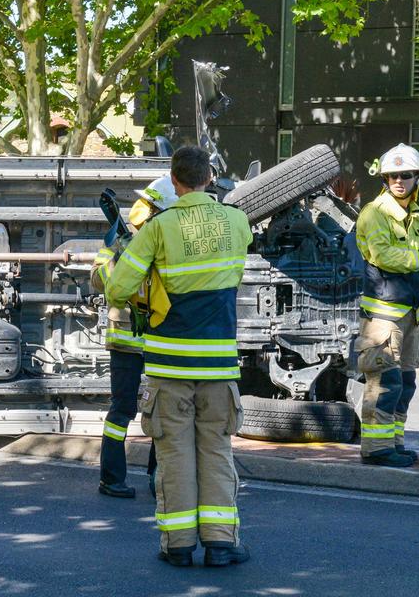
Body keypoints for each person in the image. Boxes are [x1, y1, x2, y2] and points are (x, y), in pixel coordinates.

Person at [105, 145, 253, 568]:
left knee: (174, 457)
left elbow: (116, 288)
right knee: (216, 452)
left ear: (174, 180)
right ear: (209, 178)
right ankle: (222, 545)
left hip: (169, 367)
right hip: (218, 365)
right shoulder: (236, 221)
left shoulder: (158, 228)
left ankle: (178, 547)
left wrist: (150, 288)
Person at [353, 143, 419, 467]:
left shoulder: (415, 215)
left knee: (405, 384)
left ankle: (394, 442)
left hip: (409, 315)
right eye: (392, 176)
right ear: (384, 178)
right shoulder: (375, 213)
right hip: (383, 317)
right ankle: (376, 449)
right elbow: (384, 256)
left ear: (417, 178)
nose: (399, 180)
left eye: (406, 175)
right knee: (384, 383)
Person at [90, 175, 175, 498]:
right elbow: (97, 281)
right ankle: (111, 478)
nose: (145, 209)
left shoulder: (171, 242)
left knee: (161, 412)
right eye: (147, 204)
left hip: (158, 339)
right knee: (122, 411)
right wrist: (121, 258)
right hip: (126, 340)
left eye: (152, 206)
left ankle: (158, 479)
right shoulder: (118, 240)